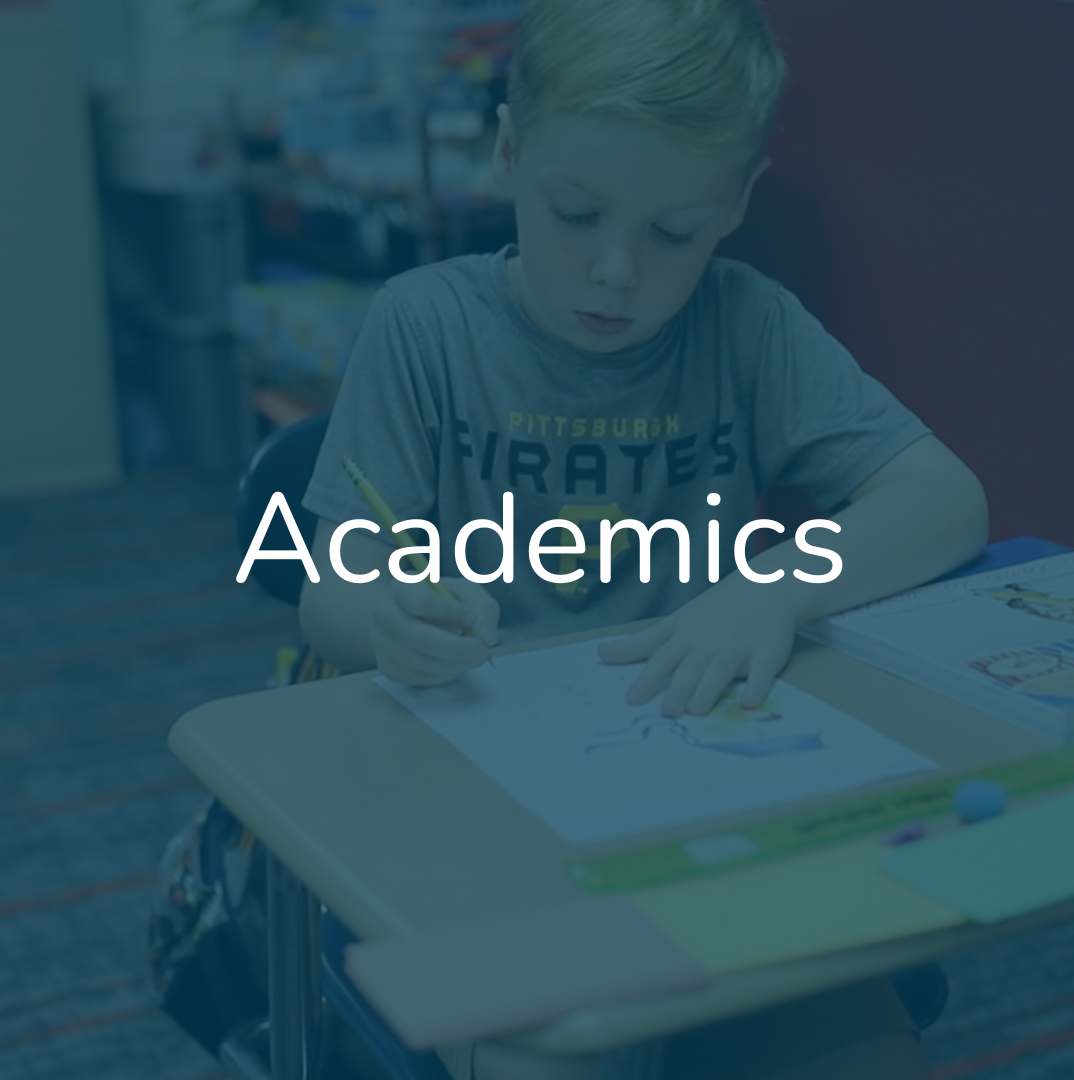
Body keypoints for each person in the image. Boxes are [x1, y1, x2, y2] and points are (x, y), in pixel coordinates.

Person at [298, 1, 988, 1077]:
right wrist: (391, 616)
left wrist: (771, 588)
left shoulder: (747, 324)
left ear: (736, 201)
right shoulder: (423, 324)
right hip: (479, 811)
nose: (616, 271)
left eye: (673, 233)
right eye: (575, 214)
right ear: (508, 153)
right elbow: (330, 591)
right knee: (560, 1048)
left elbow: (946, 499)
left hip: (711, 797)